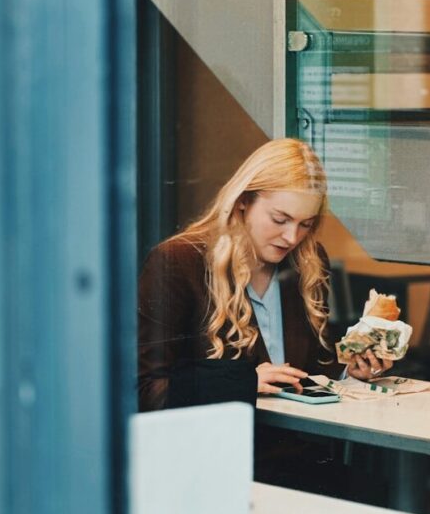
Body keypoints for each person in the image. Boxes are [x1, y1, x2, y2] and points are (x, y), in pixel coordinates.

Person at [138, 138, 392, 412]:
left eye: (305, 224)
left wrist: (351, 374)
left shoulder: (308, 261)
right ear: (243, 201)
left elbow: (312, 372)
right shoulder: (178, 261)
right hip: (224, 448)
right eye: (279, 220)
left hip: (296, 446)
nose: (292, 237)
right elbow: (146, 390)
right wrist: (244, 383)